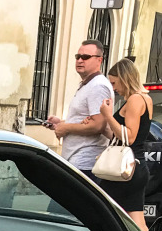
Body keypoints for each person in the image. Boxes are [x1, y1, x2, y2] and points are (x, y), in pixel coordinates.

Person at [96, 58, 154, 230]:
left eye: (114, 83)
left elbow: (129, 137)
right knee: (138, 223)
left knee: (103, 211)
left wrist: (107, 115)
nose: (114, 88)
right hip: (136, 165)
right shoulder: (145, 98)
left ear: (124, 78)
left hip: (125, 168)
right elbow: (120, 136)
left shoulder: (135, 100)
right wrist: (104, 129)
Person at [45, 40, 113, 174]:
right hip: (74, 159)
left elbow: (98, 125)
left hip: (85, 161)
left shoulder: (98, 86)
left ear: (99, 60)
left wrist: (66, 128)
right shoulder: (88, 84)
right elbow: (84, 119)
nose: (80, 60)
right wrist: (61, 123)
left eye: (86, 57)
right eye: (78, 57)